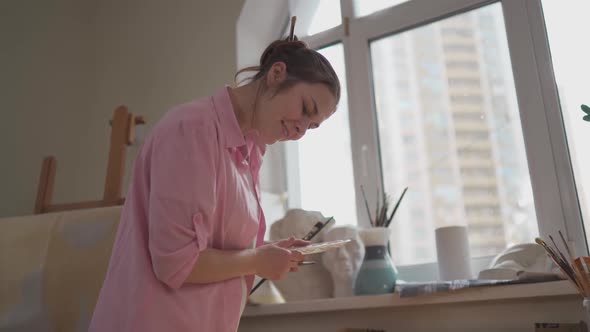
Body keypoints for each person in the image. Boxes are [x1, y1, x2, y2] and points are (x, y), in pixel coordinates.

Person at [88, 19, 341, 332]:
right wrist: (257, 260)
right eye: (305, 108)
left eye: (312, 126)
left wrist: (268, 254)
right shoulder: (193, 130)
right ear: (277, 75)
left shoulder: (250, 150)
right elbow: (176, 262)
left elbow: (220, 250)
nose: (301, 130)